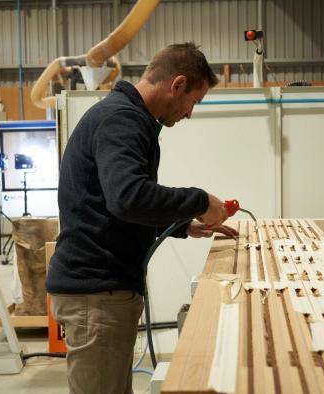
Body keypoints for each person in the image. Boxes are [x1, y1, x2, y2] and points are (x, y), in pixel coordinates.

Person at [46, 42, 238, 394]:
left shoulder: (122, 115)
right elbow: (128, 198)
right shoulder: (123, 120)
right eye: (193, 102)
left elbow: (112, 202)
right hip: (96, 292)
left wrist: (182, 226)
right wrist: (199, 201)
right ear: (176, 84)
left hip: (101, 291)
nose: (189, 114)